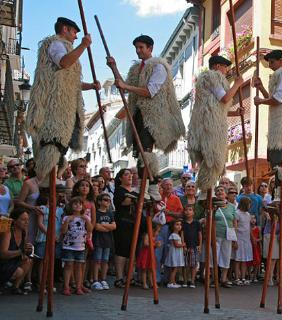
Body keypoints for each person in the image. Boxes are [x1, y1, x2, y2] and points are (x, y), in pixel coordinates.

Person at [107, 35, 185, 201]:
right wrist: (113, 67)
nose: (138, 51)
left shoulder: (158, 67)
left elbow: (150, 92)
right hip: (138, 114)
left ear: (150, 48)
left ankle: (153, 189)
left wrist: (126, 86)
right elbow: (124, 85)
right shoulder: (136, 69)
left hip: (152, 116)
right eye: (136, 48)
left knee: (146, 151)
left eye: (141, 47)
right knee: (140, 152)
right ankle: (144, 186)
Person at [26, 17, 100, 181]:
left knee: (61, 146)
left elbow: (71, 82)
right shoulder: (56, 44)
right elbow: (64, 62)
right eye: (74, 32)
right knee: (54, 142)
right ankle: (46, 181)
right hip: (56, 106)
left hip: (65, 106)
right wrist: (84, 45)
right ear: (65, 29)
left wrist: (90, 86)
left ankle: (52, 178)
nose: (75, 37)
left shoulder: (66, 49)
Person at [187, 55, 243, 197]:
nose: (226, 71)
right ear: (218, 66)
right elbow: (224, 98)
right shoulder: (212, 77)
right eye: (225, 67)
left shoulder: (204, 80)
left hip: (205, 123)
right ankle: (205, 194)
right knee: (212, 159)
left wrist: (234, 112)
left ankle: (206, 193)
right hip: (209, 128)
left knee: (211, 161)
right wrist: (237, 84)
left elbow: (216, 109)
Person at [252, 50, 282, 181]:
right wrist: (261, 88)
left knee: (278, 164)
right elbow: (273, 100)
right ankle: (280, 195)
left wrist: (260, 101)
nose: (270, 66)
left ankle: (281, 196)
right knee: (277, 163)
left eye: (272, 62)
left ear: (281, 61)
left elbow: (277, 100)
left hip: (281, 126)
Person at [61, 196, 93, 295]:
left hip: (80, 246)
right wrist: (67, 221)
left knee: (79, 266)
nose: (78, 205)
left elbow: (90, 229)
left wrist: (87, 220)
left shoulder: (85, 217)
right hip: (68, 245)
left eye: (80, 204)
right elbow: (63, 231)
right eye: (75, 204)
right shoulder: (67, 217)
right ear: (71, 206)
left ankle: (79, 287)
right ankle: (66, 286)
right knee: (68, 265)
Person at [35, 193, 64, 291]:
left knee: (52, 261)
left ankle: (49, 282)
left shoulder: (60, 210)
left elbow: (61, 223)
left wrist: (58, 236)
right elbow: (40, 223)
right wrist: (50, 234)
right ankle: (41, 283)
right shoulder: (43, 208)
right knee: (43, 261)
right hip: (44, 237)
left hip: (56, 238)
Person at [0, 207, 33, 294]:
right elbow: (3, 253)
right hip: (3, 262)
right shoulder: (8, 232)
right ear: (14, 221)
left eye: (27, 219)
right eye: (23, 219)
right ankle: (3, 283)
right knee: (19, 271)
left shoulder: (23, 232)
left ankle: (15, 287)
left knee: (28, 260)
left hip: (12, 260)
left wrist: (27, 249)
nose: (26, 222)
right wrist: (22, 251)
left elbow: (23, 249)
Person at [113, 169, 135, 288]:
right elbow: (124, 202)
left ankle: (129, 277)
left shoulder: (133, 190)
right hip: (122, 222)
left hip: (133, 223)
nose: (130, 176)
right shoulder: (119, 190)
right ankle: (119, 278)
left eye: (131, 174)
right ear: (121, 178)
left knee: (131, 251)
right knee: (121, 250)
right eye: (126, 174)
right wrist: (136, 197)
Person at [212, 185, 237, 288]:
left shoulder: (231, 206)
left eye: (222, 190)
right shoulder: (212, 205)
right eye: (217, 191)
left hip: (228, 235)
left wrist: (234, 236)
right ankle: (214, 279)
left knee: (226, 256)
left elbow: (234, 221)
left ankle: (224, 278)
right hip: (216, 234)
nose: (219, 192)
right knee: (215, 257)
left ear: (226, 194)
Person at [91, 193, 116, 291]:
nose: (107, 202)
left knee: (105, 261)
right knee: (97, 260)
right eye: (105, 200)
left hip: (108, 240)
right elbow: (96, 226)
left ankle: (103, 279)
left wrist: (104, 227)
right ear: (99, 201)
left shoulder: (110, 213)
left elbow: (114, 226)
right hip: (98, 240)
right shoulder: (96, 213)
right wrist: (108, 227)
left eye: (109, 200)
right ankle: (95, 280)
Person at [233, 197, 253, 285]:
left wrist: (252, 238)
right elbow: (235, 227)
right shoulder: (237, 213)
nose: (250, 206)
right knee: (238, 259)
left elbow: (249, 227)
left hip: (246, 239)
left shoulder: (248, 214)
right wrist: (235, 240)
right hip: (239, 239)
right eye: (248, 204)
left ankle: (243, 277)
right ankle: (237, 278)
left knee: (244, 260)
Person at [182, 205, 202, 288]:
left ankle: (192, 281)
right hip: (186, 246)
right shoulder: (183, 223)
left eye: (190, 210)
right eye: (186, 210)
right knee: (186, 265)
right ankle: (186, 280)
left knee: (193, 265)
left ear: (193, 212)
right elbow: (182, 234)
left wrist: (200, 245)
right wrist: (183, 245)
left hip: (194, 246)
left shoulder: (197, 223)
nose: (188, 211)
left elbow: (199, 234)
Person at [165, 219, 185, 288]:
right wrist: (183, 244)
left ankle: (173, 282)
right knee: (174, 268)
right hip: (174, 253)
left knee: (175, 268)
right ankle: (170, 282)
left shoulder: (177, 235)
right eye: (177, 224)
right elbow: (176, 245)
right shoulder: (173, 235)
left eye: (180, 224)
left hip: (176, 253)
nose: (179, 226)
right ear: (173, 226)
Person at [248, 214, 262, 282]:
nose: (253, 220)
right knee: (250, 262)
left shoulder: (258, 228)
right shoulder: (248, 228)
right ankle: (249, 276)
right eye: (251, 218)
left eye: (254, 218)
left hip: (256, 247)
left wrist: (257, 240)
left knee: (257, 261)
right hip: (250, 246)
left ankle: (255, 276)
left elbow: (260, 238)